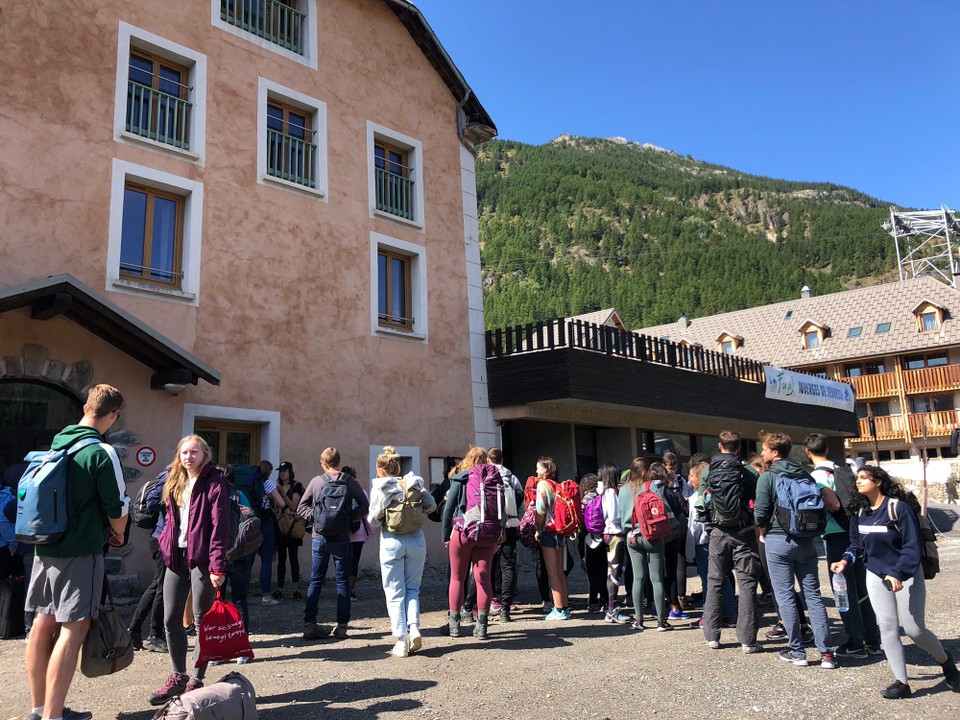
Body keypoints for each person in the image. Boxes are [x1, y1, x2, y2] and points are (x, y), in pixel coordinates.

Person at [24, 384, 128, 720]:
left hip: (46, 547)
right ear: (114, 415)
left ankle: (40, 709)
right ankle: (54, 716)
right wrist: (118, 533)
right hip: (81, 551)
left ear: (85, 407)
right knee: (74, 628)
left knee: (43, 623)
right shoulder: (101, 452)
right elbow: (118, 508)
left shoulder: (58, 444)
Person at [831, 465, 960, 699]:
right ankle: (902, 682)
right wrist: (845, 560)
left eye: (864, 478)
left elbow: (911, 548)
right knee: (888, 628)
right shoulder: (859, 512)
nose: (858, 481)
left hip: (905, 574)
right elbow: (856, 545)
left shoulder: (897, 508)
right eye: (857, 478)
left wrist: (898, 573)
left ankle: (946, 662)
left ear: (878, 482)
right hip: (875, 574)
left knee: (914, 630)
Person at [149, 435, 230, 705]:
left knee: (201, 621)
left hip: (203, 560)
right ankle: (178, 676)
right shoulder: (175, 480)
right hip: (176, 556)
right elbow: (167, 516)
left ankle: (196, 679)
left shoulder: (214, 482)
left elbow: (220, 527)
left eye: (194, 452)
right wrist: (164, 542)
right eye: (184, 452)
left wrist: (217, 566)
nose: (188, 457)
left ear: (205, 454)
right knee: (170, 619)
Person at [754, 431, 836, 669]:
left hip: (778, 540)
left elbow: (760, 513)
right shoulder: (805, 473)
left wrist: (763, 529)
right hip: (806, 540)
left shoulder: (768, 477)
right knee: (813, 595)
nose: (762, 453)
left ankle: (797, 651)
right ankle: (827, 654)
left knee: (786, 596)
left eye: (764, 449)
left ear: (774, 452)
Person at [805, 433, 881, 659]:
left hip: (836, 535)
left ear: (808, 452)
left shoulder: (816, 476)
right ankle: (873, 640)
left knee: (843, 589)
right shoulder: (844, 471)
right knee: (861, 589)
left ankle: (855, 642)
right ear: (827, 450)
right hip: (855, 533)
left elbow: (833, 504)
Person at [367, 446, 436, 657]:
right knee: (412, 588)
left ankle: (401, 640)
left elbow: (373, 520)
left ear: (380, 469)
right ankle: (414, 628)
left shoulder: (381, 487)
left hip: (392, 540)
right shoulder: (413, 482)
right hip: (416, 539)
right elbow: (431, 505)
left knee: (395, 592)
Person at [297, 448, 369, 641]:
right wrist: (348, 518)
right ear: (339, 461)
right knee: (342, 581)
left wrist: (317, 517)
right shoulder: (349, 481)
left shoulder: (316, 481)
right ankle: (342, 626)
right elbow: (364, 505)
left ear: (323, 463)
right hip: (342, 537)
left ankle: (310, 624)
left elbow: (301, 508)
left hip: (319, 536)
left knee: (316, 580)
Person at [701, 430, 762, 652]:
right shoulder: (747, 472)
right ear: (739, 448)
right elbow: (758, 501)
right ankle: (748, 640)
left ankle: (712, 636)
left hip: (717, 532)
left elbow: (702, 501)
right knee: (747, 583)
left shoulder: (708, 471)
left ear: (719, 446)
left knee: (715, 582)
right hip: (743, 532)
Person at [442, 447, 501, 637]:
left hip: (463, 532)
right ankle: (482, 626)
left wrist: (446, 536)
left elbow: (448, 510)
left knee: (457, 578)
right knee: (483, 577)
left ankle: (454, 624)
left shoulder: (460, 478)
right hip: (487, 533)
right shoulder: (494, 479)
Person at [620, 457, 668, 631]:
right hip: (651, 535)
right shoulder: (651, 486)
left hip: (632, 536)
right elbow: (664, 509)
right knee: (656, 579)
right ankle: (661, 621)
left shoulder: (623, 489)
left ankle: (639, 620)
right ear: (646, 471)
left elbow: (620, 516)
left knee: (638, 578)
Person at [128, 467, 169, 654]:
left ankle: (135, 631)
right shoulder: (170, 477)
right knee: (161, 586)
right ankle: (154, 635)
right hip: (162, 540)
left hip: (160, 538)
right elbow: (153, 501)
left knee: (158, 585)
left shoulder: (167, 476)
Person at [488, 447, 521, 621]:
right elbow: (520, 500)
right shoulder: (512, 477)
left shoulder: (486, 476)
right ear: (502, 459)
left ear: (488, 460)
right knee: (507, 565)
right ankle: (506, 607)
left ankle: (492, 599)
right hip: (510, 524)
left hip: (491, 526)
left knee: (490, 563)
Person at [596, 463, 628, 623]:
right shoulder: (611, 493)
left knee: (611, 571)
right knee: (615, 572)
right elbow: (615, 516)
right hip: (615, 534)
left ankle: (611, 608)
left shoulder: (601, 492)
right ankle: (612, 609)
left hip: (605, 534)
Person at [342, 465, 374, 601]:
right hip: (358, 531)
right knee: (354, 561)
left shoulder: (339, 492)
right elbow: (366, 512)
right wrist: (370, 531)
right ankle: (351, 589)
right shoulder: (362, 492)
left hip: (342, 531)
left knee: (342, 561)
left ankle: (343, 589)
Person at [274, 461, 304, 600]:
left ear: (290, 472)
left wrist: (282, 493)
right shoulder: (277, 485)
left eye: (285, 470)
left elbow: (293, 506)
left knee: (293, 557)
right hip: (281, 525)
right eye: (281, 471)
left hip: (292, 526)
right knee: (281, 558)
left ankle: (296, 589)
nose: (282, 473)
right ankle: (280, 588)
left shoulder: (296, 486)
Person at [579, 473, 608, 613]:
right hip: (602, 536)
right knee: (603, 568)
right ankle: (605, 599)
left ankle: (593, 601)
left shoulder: (584, 500)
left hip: (587, 538)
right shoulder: (602, 497)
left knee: (591, 571)